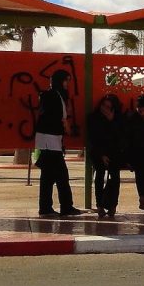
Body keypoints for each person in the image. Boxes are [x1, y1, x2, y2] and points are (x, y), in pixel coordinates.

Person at [35, 69, 82, 217]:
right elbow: (61, 118)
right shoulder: (54, 96)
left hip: (49, 139)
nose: (67, 83)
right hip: (50, 140)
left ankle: (46, 207)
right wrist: (67, 129)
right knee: (61, 175)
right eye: (66, 80)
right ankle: (65, 207)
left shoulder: (52, 95)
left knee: (48, 176)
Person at [88, 93, 124, 218]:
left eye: (109, 107)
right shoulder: (94, 118)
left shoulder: (118, 118)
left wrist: (111, 121)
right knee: (99, 175)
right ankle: (100, 205)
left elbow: (120, 137)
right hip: (98, 152)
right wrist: (101, 154)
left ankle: (112, 205)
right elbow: (93, 138)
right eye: (104, 105)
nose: (105, 109)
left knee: (115, 178)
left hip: (114, 152)